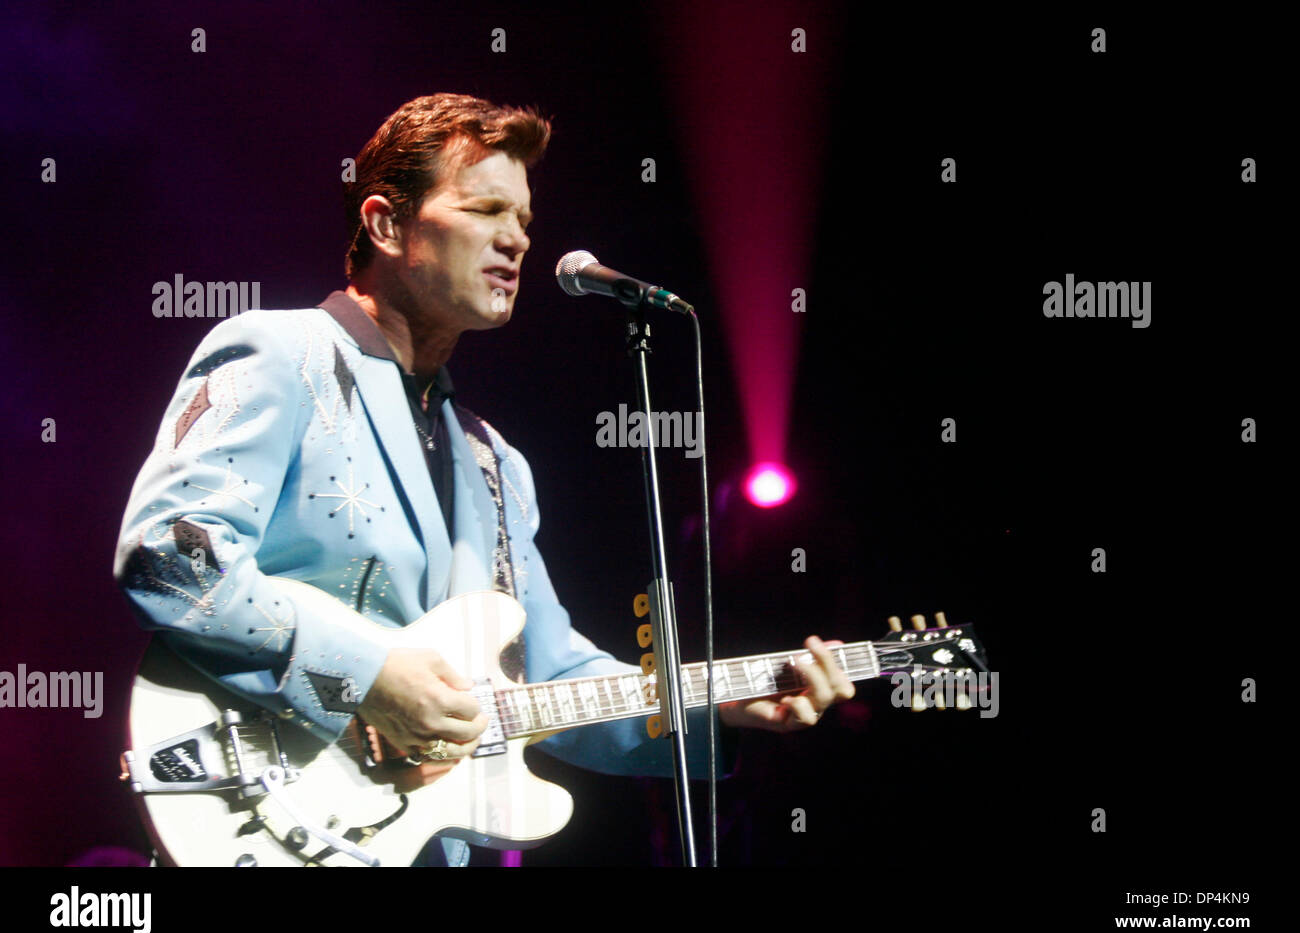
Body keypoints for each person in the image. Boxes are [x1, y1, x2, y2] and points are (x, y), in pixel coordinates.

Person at [113, 93, 854, 865]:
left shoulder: (496, 461)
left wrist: (720, 707)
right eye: (485, 209)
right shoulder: (283, 354)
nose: (516, 239)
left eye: (524, 220)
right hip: (271, 808)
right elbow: (168, 555)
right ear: (386, 224)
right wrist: (370, 676)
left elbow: (552, 677)